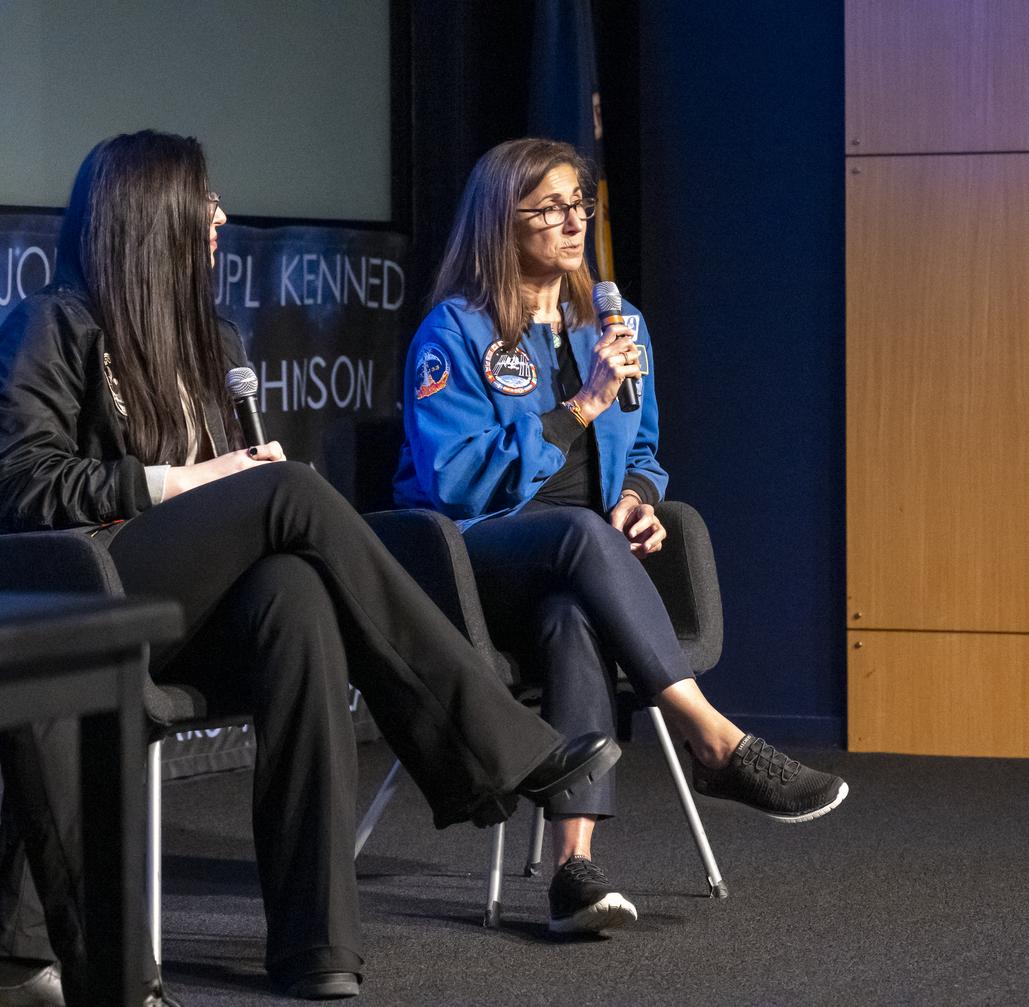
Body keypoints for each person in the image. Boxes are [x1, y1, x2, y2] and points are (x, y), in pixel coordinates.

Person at [0, 130, 621, 1003]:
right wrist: (191, 478)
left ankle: (318, 946)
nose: (221, 217)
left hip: (181, 607)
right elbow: (23, 484)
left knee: (293, 595)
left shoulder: (214, 340)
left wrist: (228, 482)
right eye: (205, 201)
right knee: (287, 491)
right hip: (87, 586)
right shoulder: (49, 325)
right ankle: (485, 732)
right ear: (151, 216)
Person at [393, 137, 848, 935]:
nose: (575, 223)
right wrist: (581, 406)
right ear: (504, 221)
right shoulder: (454, 332)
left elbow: (642, 451)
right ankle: (714, 736)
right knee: (573, 538)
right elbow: (456, 482)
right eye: (552, 208)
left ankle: (574, 868)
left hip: (578, 564)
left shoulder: (614, 319)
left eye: (582, 204)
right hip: (475, 556)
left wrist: (638, 498)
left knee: (573, 610)